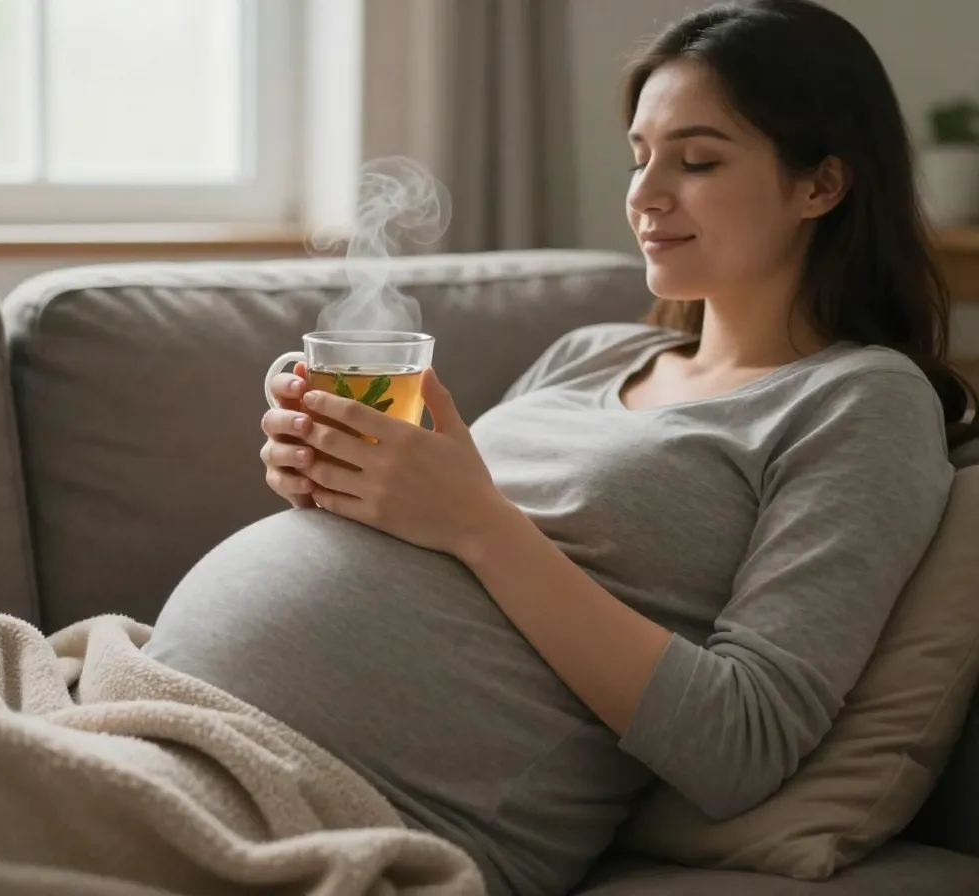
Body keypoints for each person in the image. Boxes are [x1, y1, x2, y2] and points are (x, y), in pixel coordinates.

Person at [143, 1, 975, 894]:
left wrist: (476, 523)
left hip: (349, 806)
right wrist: (337, 474)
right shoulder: (593, 353)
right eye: (638, 156)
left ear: (821, 185)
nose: (645, 194)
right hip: (162, 708)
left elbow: (744, 743)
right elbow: (440, 558)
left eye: (696, 161)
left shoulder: (862, 402)